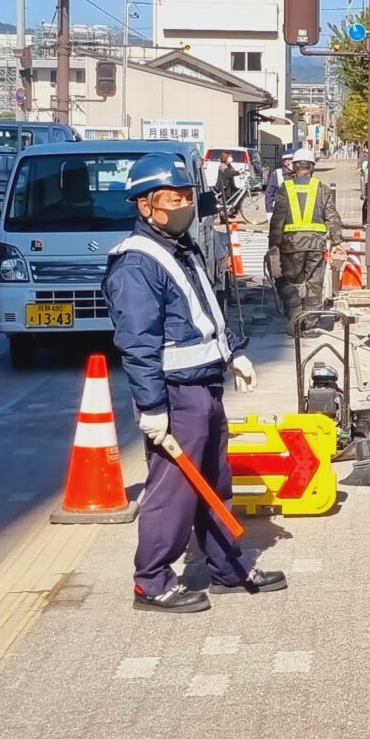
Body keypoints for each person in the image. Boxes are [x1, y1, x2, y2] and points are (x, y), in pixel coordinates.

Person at [104, 152, 282, 614]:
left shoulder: (182, 248)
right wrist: (152, 407)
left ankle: (228, 567)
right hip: (174, 393)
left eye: (187, 196)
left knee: (215, 482)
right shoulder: (136, 263)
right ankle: (152, 581)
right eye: (173, 198)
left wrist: (234, 352)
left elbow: (206, 314)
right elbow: (138, 343)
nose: (184, 205)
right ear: (145, 205)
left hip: (205, 386)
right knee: (174, 492)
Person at [268, 146, 341, 319]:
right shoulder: (322, 188)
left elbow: (278, 218)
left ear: (294, 167)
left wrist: (274, 244)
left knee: (289, 283)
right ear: (312, 167)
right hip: (316, 245)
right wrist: (337, 241)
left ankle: (295, 318)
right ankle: (310, 323)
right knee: (314, 284)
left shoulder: (285, 188)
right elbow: (332, 217)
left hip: (290, 246)